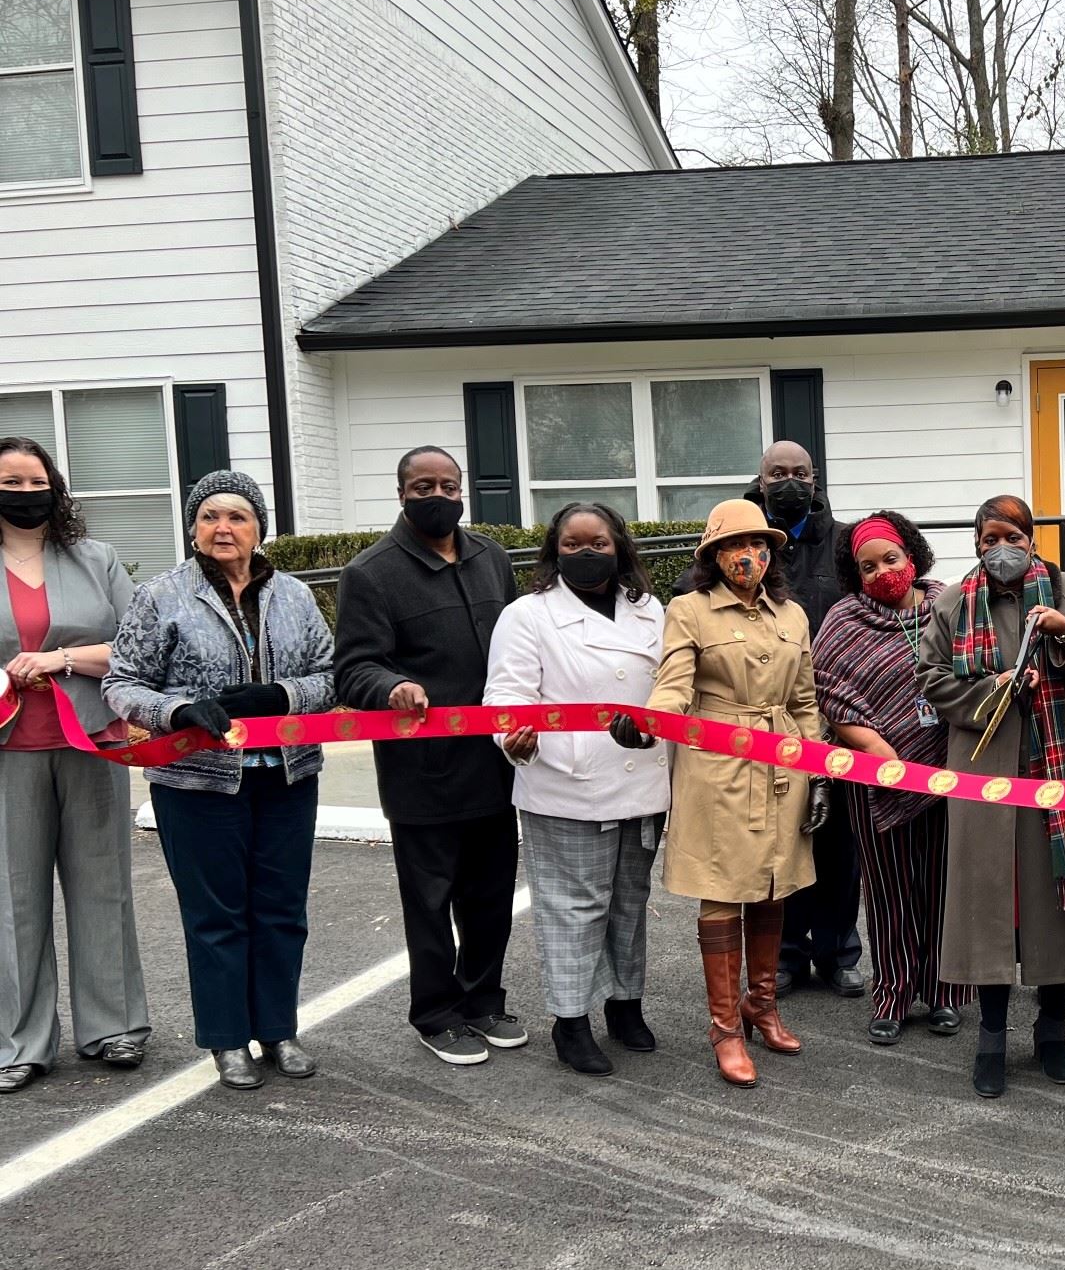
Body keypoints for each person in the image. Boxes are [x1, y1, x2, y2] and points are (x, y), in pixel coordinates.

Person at [103, 471, 334, 1090]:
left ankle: (279, 1030)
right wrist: (177, 710)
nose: (222, 528)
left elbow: (329, 674)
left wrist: (281, 695)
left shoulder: (295, 596)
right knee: (216, 916)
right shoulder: (161, 597)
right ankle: (228, 1039)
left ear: (260, 529)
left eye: (237, 516)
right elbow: (122, 683)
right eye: (209, 517)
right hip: (195, 782)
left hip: (287, 776)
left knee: (282, 910)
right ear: (193, 529)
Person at [918, 494, 1065, 1099]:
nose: (1001, 549)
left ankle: (1052, 1031)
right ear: (976, 544)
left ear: (1032, 540)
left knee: (1058, 899)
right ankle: (990, 1037)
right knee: (990, 902)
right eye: (989, 539)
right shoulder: (952, 604)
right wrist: (997, 688)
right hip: (983, 773)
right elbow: (930, 679)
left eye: (1012, 536)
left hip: (1060, 767)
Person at [335, 447, 524, 1068]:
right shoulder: (370, 573)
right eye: (423, 486)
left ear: (462, 490)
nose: (437, 496)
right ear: (401, 494)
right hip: (423, 772)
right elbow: (353, 668)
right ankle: (437, 1013)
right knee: (430, 903)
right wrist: (390, 686)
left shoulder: (492, 558)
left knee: (490, 896)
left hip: (495, 764)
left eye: (448, 485)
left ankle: (484, 1000)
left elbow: (520, 644)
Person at [627, 497, 825, 1087]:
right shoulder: (689, 610)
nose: (749, 555)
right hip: (718, 765)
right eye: (735, 546)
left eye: (759, 545)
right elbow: (673, 685)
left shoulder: (792, 615)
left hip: (783, 763)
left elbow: (805, 701)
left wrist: (819, 772)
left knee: (772, 884)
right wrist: (649, 723)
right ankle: (725, 1028)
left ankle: (761, 1005)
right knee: (721, 891)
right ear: (712, 555)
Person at [484, 503, 669, 1076]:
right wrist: (512, 738)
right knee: (574, 909)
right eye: (573, 545)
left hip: (641, 778)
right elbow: (506, 697)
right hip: (565, 782)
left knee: (629, 902)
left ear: (619, 547)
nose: (586, 553)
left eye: (598, 543)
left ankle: (625, 1004)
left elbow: (670, 686)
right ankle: (571, 1021)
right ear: (554, 551)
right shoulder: (527, 615)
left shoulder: (650, 609)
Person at [0, 436, 149, 1091]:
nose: (25, 493)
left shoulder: (97, 559)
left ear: (55, 488)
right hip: (8, 752)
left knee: (103, 885)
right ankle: (19, 1043)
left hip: (92, 742)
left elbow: (137, 646)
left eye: (36, 482)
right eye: (11, 482)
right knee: (13, 899)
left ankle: (113, 1026)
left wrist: (60, 658)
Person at [812, 511, 968, 1044]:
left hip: (947, 774)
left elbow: (976, 674)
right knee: (888, 892)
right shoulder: (843, 620)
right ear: (855, 574)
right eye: (869, 566)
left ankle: (945, 992)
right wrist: (884, 756)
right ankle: (893, 994)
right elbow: (832, 695)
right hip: (876, 777)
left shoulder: (951, 605)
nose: (882, 572)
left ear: (912, 555)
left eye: (890, 559)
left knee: (943, 888)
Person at [747, 440, 863, 999]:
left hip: (839, 710)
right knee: (782, 839)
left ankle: (839, 952)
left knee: (840, 841)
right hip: (771, 717)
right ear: (760, 480)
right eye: (778, 473)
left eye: (799, 472)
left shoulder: (844, 544)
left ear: (815, 481)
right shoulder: (742, 542)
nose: (789, 482)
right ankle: (786, 953)